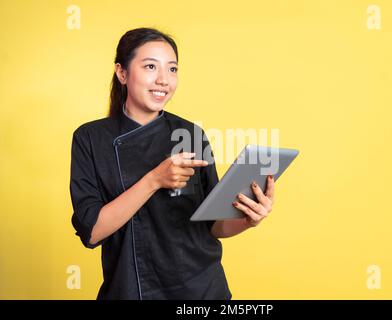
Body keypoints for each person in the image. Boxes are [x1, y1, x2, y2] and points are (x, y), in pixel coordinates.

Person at [69, 27, 275, 300]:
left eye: (173, 69)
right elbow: (92, 231)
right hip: (132, 290)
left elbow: (213, 226)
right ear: (122, 73)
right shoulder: (91, 138)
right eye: (150, 66)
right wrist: (154, 180)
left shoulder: (190, 134)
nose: (164, 80)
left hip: (202, 290)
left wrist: (248, 219)